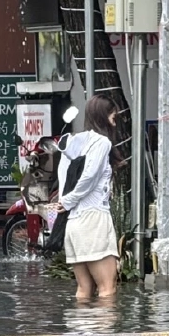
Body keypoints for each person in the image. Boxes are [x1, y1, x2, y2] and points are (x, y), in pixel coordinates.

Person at [57, 94, 120, 299]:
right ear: (104, 115)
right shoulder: (102, 142)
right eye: (113, 115)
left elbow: (63, 176)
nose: (115, 119)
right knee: (107, 289)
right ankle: (103, 331)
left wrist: (65, 200)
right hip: (94, 219)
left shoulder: (75, 142)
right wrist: (68, 201)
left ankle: (81, 330)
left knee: (84, 289)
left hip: (74, 223)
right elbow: (89, 177)